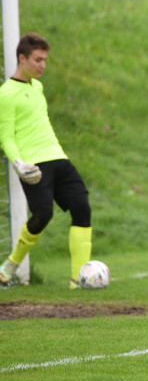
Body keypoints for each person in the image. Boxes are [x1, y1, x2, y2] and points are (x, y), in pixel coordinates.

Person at [0, 33, 94, 289]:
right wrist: (18, 163)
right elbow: (6, 136)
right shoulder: (6, 94)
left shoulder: (37, 87)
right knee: (44, 214)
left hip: (58, 157)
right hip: (33, 165)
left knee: (82, 207)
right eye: (38, 60)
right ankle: (8, 268)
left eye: (45, 60)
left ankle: (79, 281)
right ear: (22, 58)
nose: (43, 65)